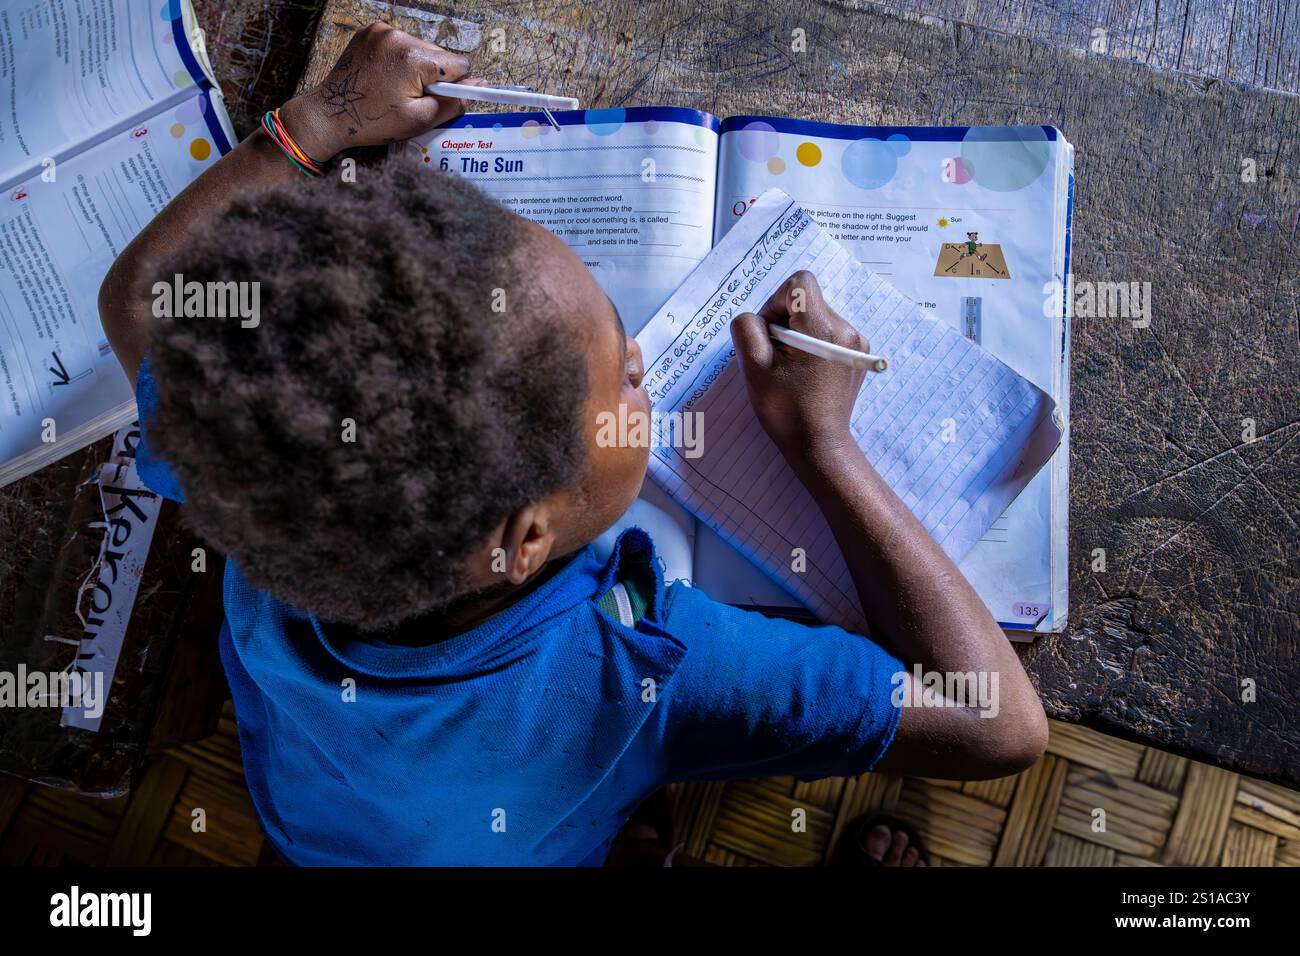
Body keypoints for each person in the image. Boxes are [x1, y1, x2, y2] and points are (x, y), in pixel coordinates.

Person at [97, 23, 1048, 866]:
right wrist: (826, 446)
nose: (640, 356)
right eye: (625, 384)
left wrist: (324, 119)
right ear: (521, 542)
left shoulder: (245, 457)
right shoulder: (644, 667)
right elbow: (996, 723)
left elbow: (140, 297)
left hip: (316, 821)